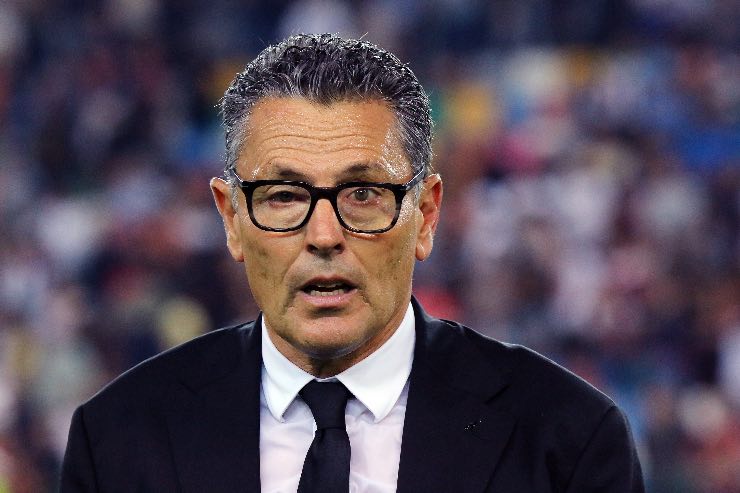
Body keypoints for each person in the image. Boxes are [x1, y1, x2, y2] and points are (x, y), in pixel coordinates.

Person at [59, 33, 644, 492]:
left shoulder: (567, 439)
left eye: (363, 194)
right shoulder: (118, 440)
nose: (324, 236)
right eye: (284, 196)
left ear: (426, 215)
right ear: (232, 219)